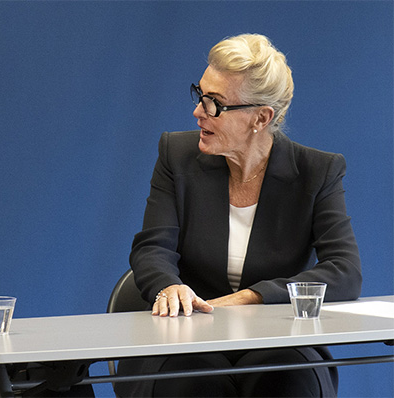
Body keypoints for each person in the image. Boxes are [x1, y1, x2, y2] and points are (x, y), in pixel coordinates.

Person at [115, 34, 361, 397]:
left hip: (277, 339)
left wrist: (252, 297)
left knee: (286, 382)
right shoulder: (176, 154)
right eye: (200, 94)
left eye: (215, 103)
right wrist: (169, 286)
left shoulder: (317, 171)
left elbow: (345, 271)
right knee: (190, 384)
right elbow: (152, 249)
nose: (198, 111)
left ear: (260, 117)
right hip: (187, 337)